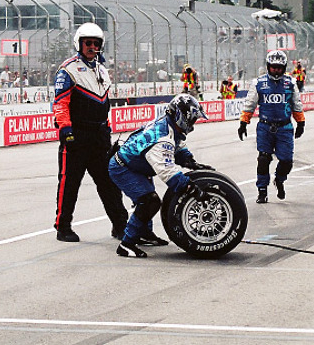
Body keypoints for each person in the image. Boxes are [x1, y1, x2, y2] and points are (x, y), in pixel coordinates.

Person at [108, 94, 212, 258]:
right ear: (181, 117)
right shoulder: (162, 138)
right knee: (149, 201)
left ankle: (144, 234)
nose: (193, 124)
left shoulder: (169, 125)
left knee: (148, 199)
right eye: (191, 120)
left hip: (136, 164)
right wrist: (190, 187)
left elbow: (177, 145)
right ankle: (126, 244)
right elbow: (166, 171)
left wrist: (190, 161)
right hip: (124, 168)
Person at [53, 22, 128, 242]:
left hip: (99, 136)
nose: (92, 46)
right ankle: (63, 226)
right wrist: (66, 130)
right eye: (88, 43)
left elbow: (103, 103)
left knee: (109, 183)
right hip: (77, 135)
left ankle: (120, 225)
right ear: (79, 43)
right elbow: (60, 103)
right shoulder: (67, 69)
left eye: (96, 43)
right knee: (69, 183)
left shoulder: (103, 70)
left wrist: (107, 129)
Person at [238, 50, 305, 204]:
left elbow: (296, 104)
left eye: (279, 67)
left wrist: (301, 122)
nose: (276, 70)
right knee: (263, 159)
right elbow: (249, 104)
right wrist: (243, 123)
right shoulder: (258, 83)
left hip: (285, 127)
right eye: (273, 67)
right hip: (265, 127)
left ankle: (279, 180)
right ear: (268, 66)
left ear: (284, 67)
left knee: (287, 161)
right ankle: (262, 191)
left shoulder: (291, 83)